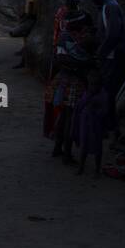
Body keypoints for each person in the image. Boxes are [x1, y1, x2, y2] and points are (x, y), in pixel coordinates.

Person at [50, 10, 94, 163]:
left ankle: (58, 147)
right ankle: (67, 153)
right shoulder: (73, 37)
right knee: (70, 118)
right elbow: (62, 58)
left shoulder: (66, 36)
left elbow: (59, 59)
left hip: (64, 79)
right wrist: (84, 64)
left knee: (64, 115)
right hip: (74, 81)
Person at [43, 0, 81, 137]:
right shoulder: (75, 15)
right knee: (60, 95)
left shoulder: (62, 12)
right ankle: (57, 128)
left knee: (54, 93)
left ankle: (52, 128)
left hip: (60, 55)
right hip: (66, 58)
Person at [74, 68, 112, 176]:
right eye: (91, 84)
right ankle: (81, 167)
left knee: (97, 148)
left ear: (100, 84)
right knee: (84, 146)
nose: (93, 87)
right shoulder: (87, 93)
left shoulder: (103, 95)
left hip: (96, 125)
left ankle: (96, 170)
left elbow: (105, 111)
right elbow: (80, 106)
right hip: (85, 124)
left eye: (95, 84)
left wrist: (95, 110)